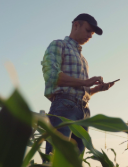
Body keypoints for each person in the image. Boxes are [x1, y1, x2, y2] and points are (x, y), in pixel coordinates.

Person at [41, 13, 115, 155]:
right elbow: (51, 76)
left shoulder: (83, 59)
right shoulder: (58, 45)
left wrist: (96, 89)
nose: (90, 36)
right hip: (64, 107)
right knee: (55, 161)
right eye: (88, 31)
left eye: (92, 33)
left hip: (83, 112)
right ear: (76, 25)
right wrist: (85, 82)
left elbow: (79, 90)